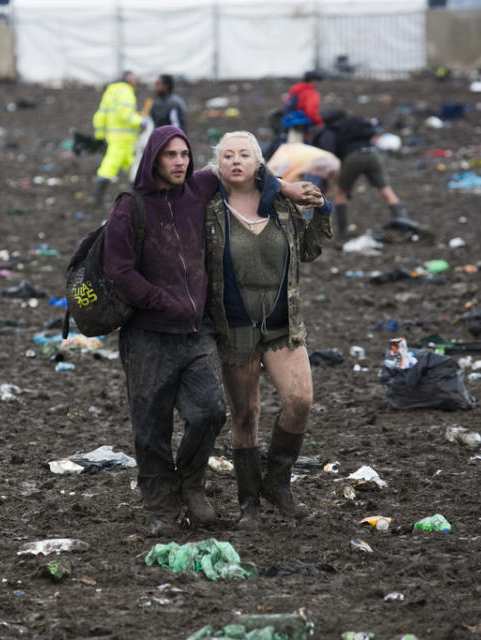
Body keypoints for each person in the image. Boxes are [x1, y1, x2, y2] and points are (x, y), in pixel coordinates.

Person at [102, 125, 322, 536]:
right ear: (153, 159)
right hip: (148, 334)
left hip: (196, 331)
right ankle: (163, 508)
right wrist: (160, 301)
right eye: (169, 156)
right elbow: (118, 269)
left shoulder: (198, 189)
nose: (179, 162)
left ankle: (191, 482)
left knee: (209, 413)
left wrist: (287, 189)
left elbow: (246, 169)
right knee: (151, 428)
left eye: (184, 154)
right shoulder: (131, 206)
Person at [204, 131, 332, 530]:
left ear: (260, 164)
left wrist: (323, 210)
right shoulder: (209, 209)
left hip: (281, 323)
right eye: (228, 156)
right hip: (236, 327)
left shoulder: (280, 203)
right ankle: (249, 504)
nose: (236, 161)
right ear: (218, 165)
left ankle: (277, 484)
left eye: (245, 154)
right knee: (245, 416)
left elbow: (309, 250)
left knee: (300, 401)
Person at [315, 110, 417, 239]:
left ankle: (342, 233)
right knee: (386, 189)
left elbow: (332, 153)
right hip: (372, 154)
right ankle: (403, 223)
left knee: (341, 192)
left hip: (353, 158)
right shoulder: (356, 122)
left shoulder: (333, 130)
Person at [92, 71, 144, 207]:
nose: (136, 81)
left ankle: (137, 199)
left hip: (115, 138)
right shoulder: (126, 92)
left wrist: (100, 136)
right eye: (134, 78)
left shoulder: (110, 92)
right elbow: (125, 114)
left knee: (133, 168)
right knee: (109, 168)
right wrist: (141, 121)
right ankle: (99, 202)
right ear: (129, 79)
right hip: (123, 140)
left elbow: (100, 116)